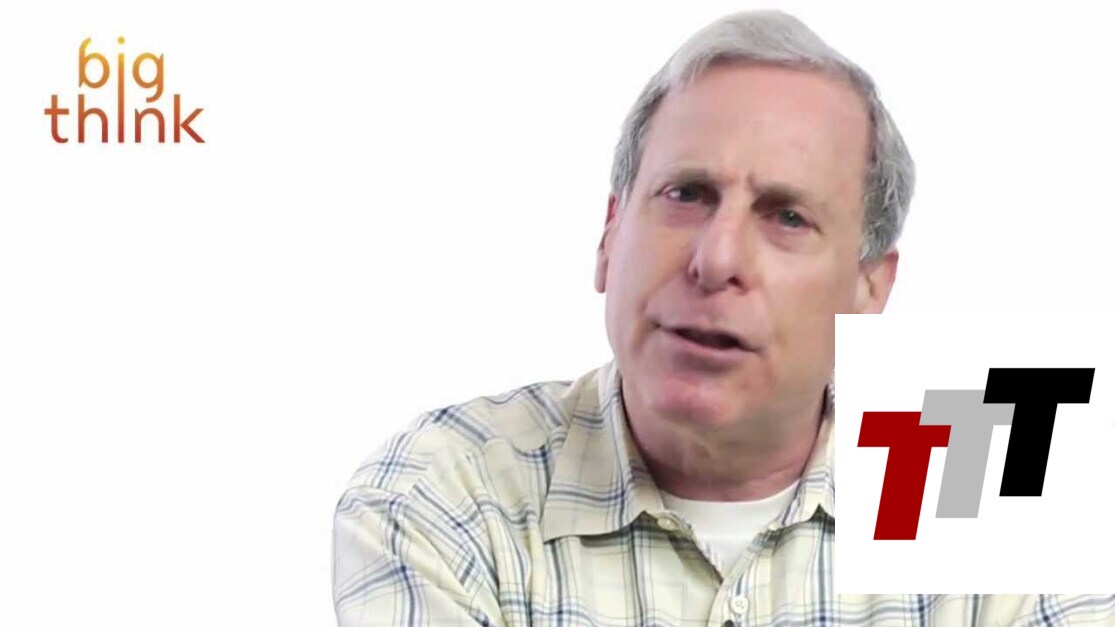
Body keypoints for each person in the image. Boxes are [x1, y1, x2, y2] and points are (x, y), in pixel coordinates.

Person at [332, 10, 1115, 626]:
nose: (715, 258)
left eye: (787, 216)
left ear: (868, 289)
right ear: (608, 236)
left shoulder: (1002, 472)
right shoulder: (446, 489)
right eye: (685, 194)